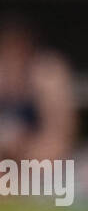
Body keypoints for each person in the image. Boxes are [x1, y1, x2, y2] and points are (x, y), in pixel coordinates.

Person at [0, 14, 76, 163]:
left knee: (52, 152)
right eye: (8, 47)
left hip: (37, 150)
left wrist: (24, 147)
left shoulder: (48, 71)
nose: (14, 55)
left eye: (19, 47)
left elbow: (63, 133)